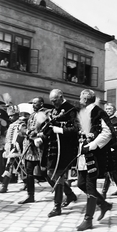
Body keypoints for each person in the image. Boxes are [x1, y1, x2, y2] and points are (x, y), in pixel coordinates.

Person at [76, 89, 117, 231]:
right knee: (80, 183)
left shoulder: (99, 112)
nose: (79, 99)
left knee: (89, 186)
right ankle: (103, 204)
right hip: (83, 155)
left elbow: (108, 133)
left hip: (94, 155)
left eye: (81, 97)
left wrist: (92, 145)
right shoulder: (83, 112)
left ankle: (88, 220)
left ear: (86, 99)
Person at [36, 89, 78, 217]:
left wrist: (59, 130)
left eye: (55, 100)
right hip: (51, 147)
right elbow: (49, 127)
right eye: (52, 101)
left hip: (64, 149)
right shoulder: (54, 110)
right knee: (47, 173)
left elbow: (75, 129)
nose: (53, 103)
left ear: (61, 97)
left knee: (57, 175)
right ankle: (69, 194)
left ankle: (57, 206)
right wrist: (41, 137)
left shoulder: (71, 109)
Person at [18, 97, 46, 203]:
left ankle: (68, 193)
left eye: (36, 103)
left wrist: (35, 134)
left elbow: (45, 130)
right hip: (30, 149)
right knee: (29, 171)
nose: (33, 105)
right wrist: (25, 130)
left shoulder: (44, 114)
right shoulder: (32, 115)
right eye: (33, 103)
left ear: (41, 104)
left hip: (40, 148)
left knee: (46, 174)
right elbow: (29, 129)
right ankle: (30, 196)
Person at [0, 105, 26, 193]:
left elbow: (21, 136)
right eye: (9, 116)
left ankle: (4, 186)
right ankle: (27, 183)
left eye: (12, 115)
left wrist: (16, 147)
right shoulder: (12, 124)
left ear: (17, 115)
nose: (10, 117)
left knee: (9, 166)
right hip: (10, 149)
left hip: (17, 149)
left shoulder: (21, 124)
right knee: (19, 167)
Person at [101, 103, 117, 198]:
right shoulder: (104, 121)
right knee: (112, 171)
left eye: (110, 109)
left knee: (109, 170)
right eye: (106, 109)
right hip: (105, 149)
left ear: (114, 110)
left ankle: (103, 193)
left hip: (114, 150)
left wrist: (112, 147)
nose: (108, 110)